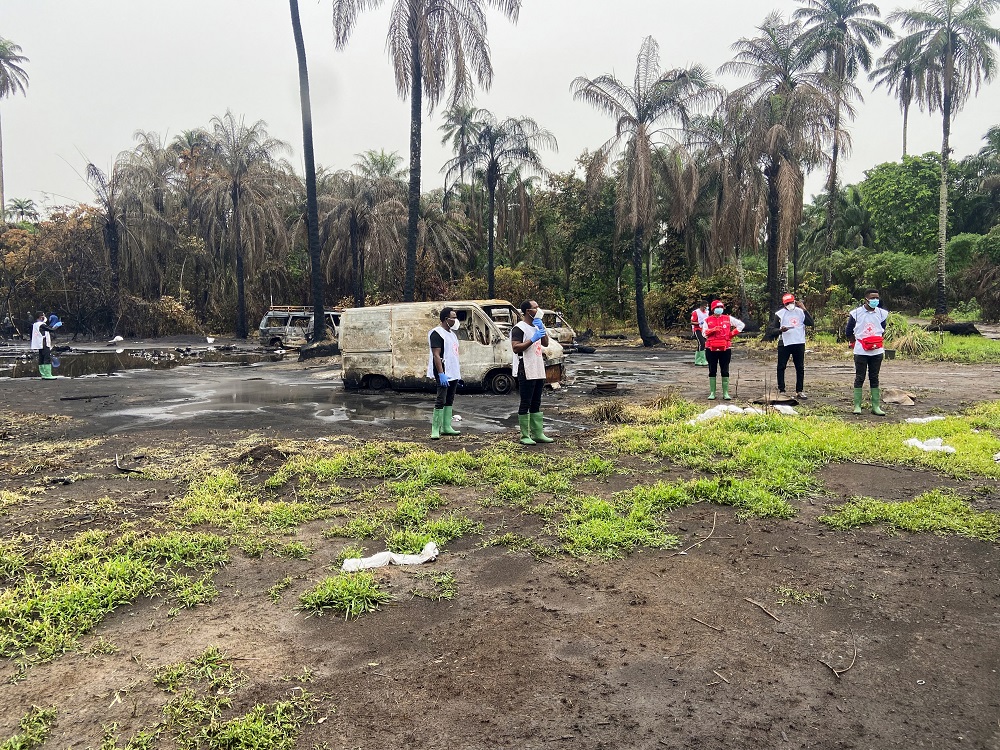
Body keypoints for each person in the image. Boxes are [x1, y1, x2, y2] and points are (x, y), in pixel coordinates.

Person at [510, 299, 554, 445]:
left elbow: (546, 343)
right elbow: (516, 348)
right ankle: (524, 435)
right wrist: (531, 339)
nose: (538, 309)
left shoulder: (535, 326)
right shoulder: (519, 328)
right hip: (525, 368)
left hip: (537, 367)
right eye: (536, 307)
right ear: (528, 311)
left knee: (536, 402)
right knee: (526, 401)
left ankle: (537, 433)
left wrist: (542, 330)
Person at [846, 289, 889, 416]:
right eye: (872, 298)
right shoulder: (856, 313)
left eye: (877, 298)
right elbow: (848, 331)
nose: (875, 300)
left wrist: (875, 340)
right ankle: (857, 405)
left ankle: (876, 406)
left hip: (877, 351)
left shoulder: (881, 313)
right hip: (861, 351)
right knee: (860, 377)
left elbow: (883, 328)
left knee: (874, 377)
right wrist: (856, 342)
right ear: (866, 299)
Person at [769, 293, 813, 399]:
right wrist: (780, 330)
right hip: (784, 343)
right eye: (787, 303)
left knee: (800, 367)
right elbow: (772, 330)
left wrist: (804, 309)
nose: (789, 305)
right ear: (784, 304)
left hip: (798, 342)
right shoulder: (779, 314)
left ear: (795, 301)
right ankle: (782, 390)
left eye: (791, 302)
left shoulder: (801, 312)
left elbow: (810, 323)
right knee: (781, 366)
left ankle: (799, 390)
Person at [427, 306, 462, 439]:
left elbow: (453, 354)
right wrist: (441, 373)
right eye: (453, 317)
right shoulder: (437, 333)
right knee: (440, 399)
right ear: (446, 319)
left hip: (453, 371)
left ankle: (446, 426)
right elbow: (436, 355)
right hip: (443, 371)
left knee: (450, 399)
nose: (455, 320)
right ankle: (435, 429)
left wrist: (458, 374)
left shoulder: (452, 335)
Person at [701, 299, 745, 400]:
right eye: (717, 307)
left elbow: (741, 325)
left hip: (725, 347)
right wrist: (712, 330)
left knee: (725, 370)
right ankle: (712, 392)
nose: (719, 309)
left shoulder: (727, 318)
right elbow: (704, 333)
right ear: (713, 309)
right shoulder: (708, 320)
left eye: (721, 307)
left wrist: (731, 334)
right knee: (712, 370)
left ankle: (725, 393)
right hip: (711, 348)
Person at [30, 312, 55, 379]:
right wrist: (58, 325)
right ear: (41, 317)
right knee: (47, 357)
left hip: (39, 343)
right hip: (44, 343)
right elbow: (51, 329)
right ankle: (48, 374)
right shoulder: (41, 325)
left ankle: (43, 374)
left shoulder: (35, 324)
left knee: (41, 358)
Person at [690, 301, 709, 366]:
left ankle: (697, 360)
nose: (706, 307)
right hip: (697, 329)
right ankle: (703, 359)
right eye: (705, 306)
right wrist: (699, 323)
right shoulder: (696, 312)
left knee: (700, 345)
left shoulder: (707, 312)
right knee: (702, 343)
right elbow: (692, 322)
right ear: (702, 306)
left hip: (704, 330)